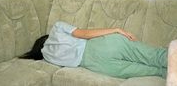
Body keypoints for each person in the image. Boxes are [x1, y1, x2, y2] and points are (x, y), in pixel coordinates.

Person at [19, 21, 167, 79]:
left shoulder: (47, 57)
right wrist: (116, 29)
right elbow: (85, 34)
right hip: (99, 46)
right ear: (45, 37)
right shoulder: (57, 28)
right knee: (155, 56)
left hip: (97, 66)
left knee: (154, 72)